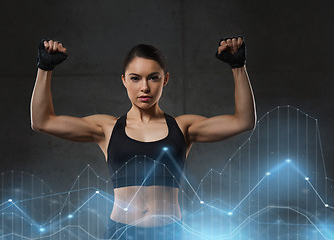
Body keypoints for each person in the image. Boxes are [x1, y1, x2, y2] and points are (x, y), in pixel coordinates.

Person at [30, 36, 256, 240]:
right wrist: (44, 68)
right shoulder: (107, 128)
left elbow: (243, 121)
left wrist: (238, 67)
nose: (145, 87)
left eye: (153, 78)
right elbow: (42, 122)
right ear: (124, 80)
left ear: (165, 79)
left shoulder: (182, 127)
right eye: (135, 78)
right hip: (121, 233)